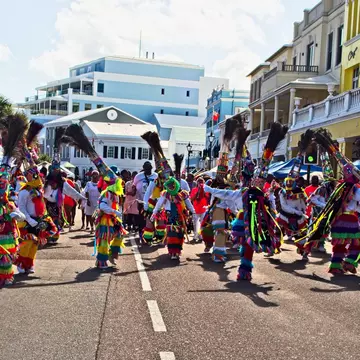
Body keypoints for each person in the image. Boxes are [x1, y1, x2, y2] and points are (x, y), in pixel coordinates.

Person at [151, 176, 195, 260]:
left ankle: (177, 250)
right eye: (169, 186)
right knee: (171, 233)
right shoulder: (165, 194)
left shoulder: (182, 194)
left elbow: (188, 203)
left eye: (172, 185)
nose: (171, 187)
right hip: (169, 216)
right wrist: (154, 213)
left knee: (179, 234)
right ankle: (172, 251)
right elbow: (159, 203)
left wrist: (193, 211)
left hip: (180, 216)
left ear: (176, 185)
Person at [133, 161, 158, 241]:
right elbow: (134, 186)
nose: (148, 170)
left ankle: (151, 234)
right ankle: (141, 234)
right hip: (141, 201)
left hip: (153, 202)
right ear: (143, 169)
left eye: (149, 169)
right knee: (142, 219)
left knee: (152, 219)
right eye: (146, 169)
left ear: (151, 168)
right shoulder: (138, 176)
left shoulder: (155, 176)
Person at [190, 177, 209, 242]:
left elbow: (207, 198)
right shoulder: (194, 190)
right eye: (199, 182)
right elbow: (192, 199)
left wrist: (202, 192)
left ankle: (201, 236)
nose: (200, 183)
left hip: (203, 209)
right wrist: (197, 192)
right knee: (195, 223)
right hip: (195, 209)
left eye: (201, 182)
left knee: (202, 224)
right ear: (197, 183)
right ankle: (195, 237)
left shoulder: (206, 189)